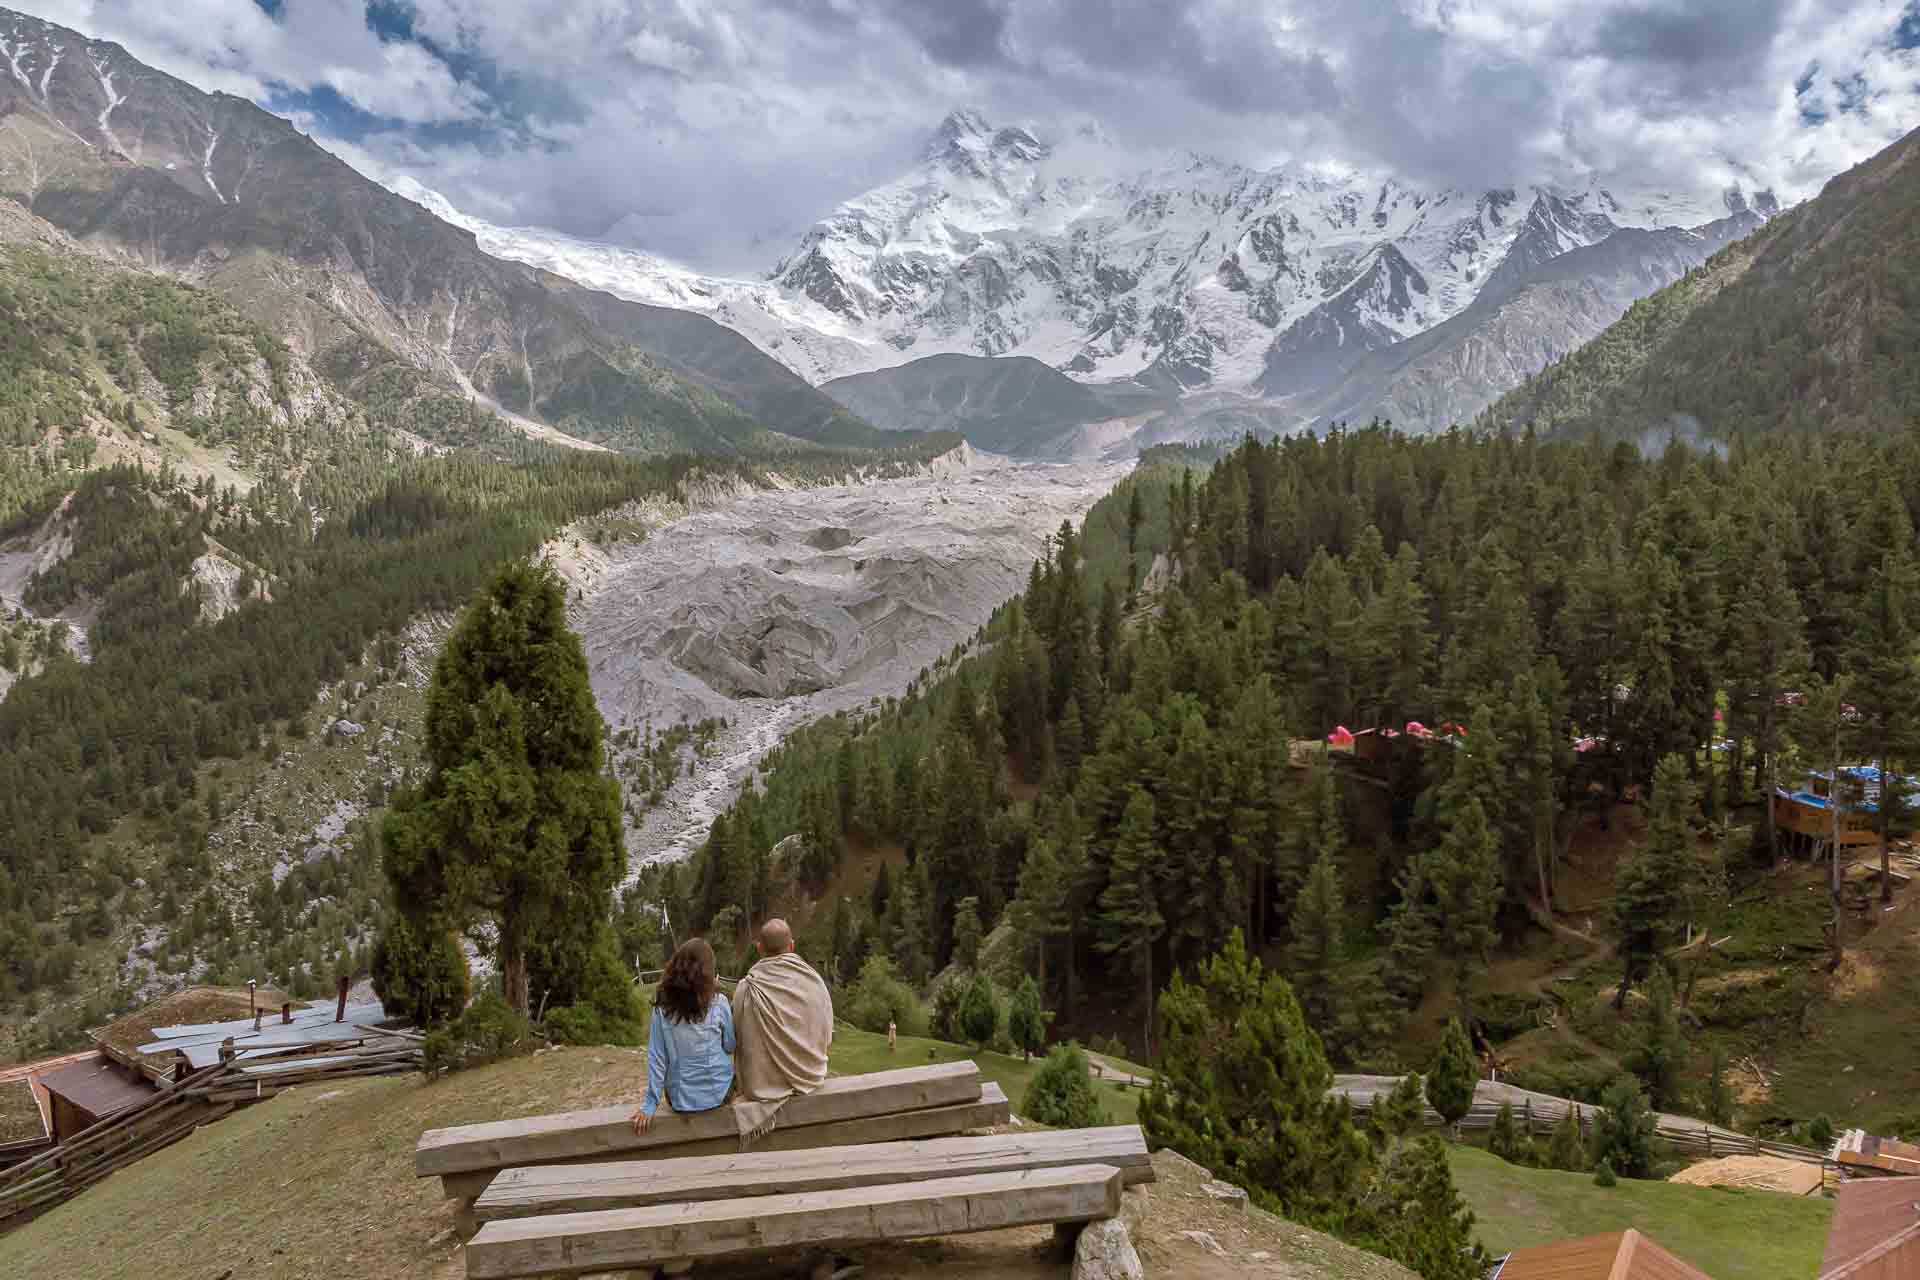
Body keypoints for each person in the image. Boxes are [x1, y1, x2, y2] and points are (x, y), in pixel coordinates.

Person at [731, 918, 834, 1140]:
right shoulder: (814, 982)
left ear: (759, 949)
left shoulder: (747, 988)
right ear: (792, 946)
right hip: (810, 1077)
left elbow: (735, 1041)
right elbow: (827, 1036)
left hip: (761, 1088)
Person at [632, 937, 734, 1135]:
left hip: (680, 1099)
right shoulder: (720, 1002)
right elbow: (730, 1046)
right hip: (720, 1093)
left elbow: (657, 1056)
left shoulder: (662, 1007)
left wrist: (650, 1104)